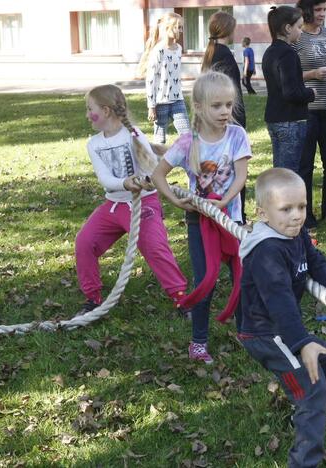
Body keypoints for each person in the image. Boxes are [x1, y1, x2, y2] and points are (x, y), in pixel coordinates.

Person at [237, 167, 326, 468]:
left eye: (301, 207)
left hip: (283, 328)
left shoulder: (296, 234)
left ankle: (310, 415)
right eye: (286, 209)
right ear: (263, 214)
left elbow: (316, 261)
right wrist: (302, 342)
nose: (297, 216)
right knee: (313, 386)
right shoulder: (267, 252)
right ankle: (304, 461)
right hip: (264, 333)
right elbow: (279, 301)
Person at [151, 71, 251, 364]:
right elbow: (158, 175)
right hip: (200, 223)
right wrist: (179, 203)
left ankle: (246, 332)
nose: (224, 112)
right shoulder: (187, 142)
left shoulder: (236, 135)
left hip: (231, 221)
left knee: (242, 278)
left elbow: (241, 177)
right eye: (216, 106)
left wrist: (225, 202)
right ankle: (198, 342)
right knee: (205, 279)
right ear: (199, 107)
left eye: (229, 105)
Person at [75, 85, 187, 315]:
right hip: (114, 205)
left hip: (143, 203)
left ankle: (181, 298)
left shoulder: (133, 135)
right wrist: (126, 183)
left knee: (155, 247)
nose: (87, 115)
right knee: (84, 242)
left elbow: (152, 168)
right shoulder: (94, 144)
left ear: (105, 111)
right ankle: (92, 298)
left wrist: (144, 180)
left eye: (90, 109)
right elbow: (105, 179)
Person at [294, 0, 326, 227]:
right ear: (306, 11)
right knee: (306, 165)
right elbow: (290, 74)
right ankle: (307, 216)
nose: (322, 14)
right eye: (317, 10)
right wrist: (313, 73)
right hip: (308, 110)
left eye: (324, 9)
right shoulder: (297, 37)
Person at [263, 6, 316, 172]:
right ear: (287, 28)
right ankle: (286, 199)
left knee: (280, 171)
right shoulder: (288, 53)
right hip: (289, 121)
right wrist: (311, 93)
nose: (301, 32)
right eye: (299, 27)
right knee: (288, 175)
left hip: (274, 119)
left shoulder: (269, 52)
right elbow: (291, 92)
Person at [137, 12, 191, 144]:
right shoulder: (158, 50)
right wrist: (151, 106)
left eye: (181, 27)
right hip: (161, 102)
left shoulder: (179, 48)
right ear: (167, 28)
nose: (180, 30)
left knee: (187, 136)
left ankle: (191, 162)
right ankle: (157, 163)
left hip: (177, 99)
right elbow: (150, 80)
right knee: (160, 139)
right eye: (177, 27)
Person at [201, 11, 246, 129]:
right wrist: (238, 121)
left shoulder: (213, 51)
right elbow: (231, 90)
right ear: (228, 30)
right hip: (227, 118)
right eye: (233, 29)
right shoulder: (224, 54)